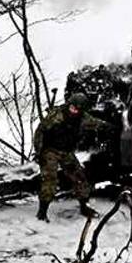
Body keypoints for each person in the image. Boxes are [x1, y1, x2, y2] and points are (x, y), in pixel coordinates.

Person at [33, 92, 108, 221]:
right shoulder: (56, 115)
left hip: (66, 152)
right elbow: (40, 132)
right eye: (72, 107)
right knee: (50, 180)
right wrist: (39, 152)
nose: (73, 110)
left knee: (79, 177)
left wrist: (110, 127)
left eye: (77, 109)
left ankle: (84, 205)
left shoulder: (83, 118)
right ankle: (42, 211)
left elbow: (96, 123)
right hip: (50, 150)